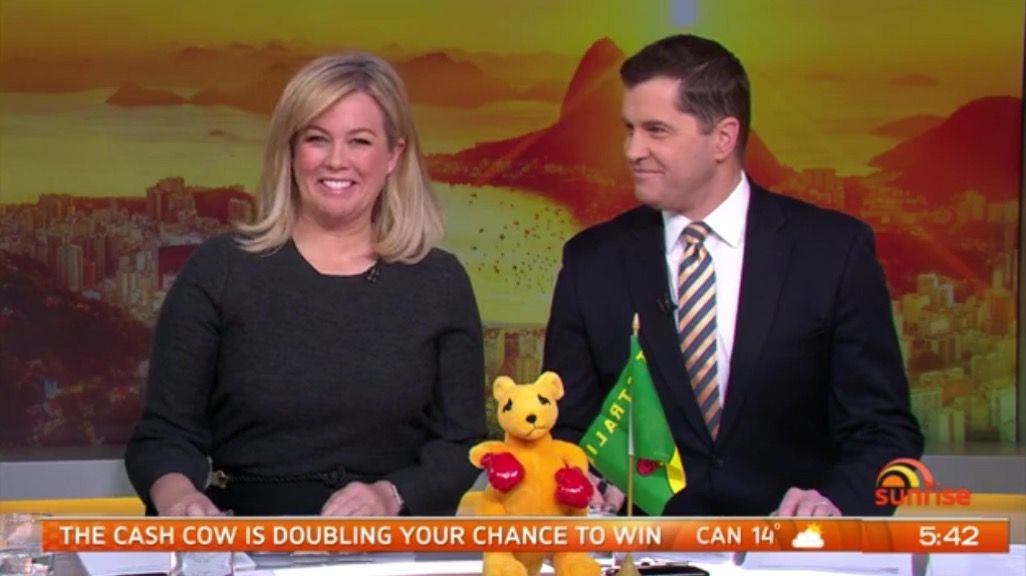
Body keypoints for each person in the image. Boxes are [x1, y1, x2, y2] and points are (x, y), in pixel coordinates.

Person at [543, 34, 923, 517]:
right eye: (629, 129)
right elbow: (565, 432)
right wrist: (586, 483)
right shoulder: (592, 262)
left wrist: (834, 503)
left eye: (656, 131)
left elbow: (883, 431)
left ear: (723, 137)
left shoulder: (832, 252)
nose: (633, 150)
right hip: (644, 546)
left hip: (791, 546)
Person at [125, 53, 486, 517]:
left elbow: (460, 443)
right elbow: (164, 436)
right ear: (291, 150)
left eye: (359, 141)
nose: (336, 161)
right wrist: (180, 499)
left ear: (394, 156)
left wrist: (390, 495)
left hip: (390, 541)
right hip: (247, 537)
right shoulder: (219, 270)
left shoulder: (439, 282)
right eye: (317, 139)